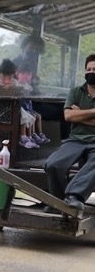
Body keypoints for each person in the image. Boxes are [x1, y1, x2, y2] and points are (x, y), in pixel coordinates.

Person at [44, 54, 95, 212]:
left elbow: (74, 116)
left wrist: (80, 115)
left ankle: (74, 196)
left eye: (94, 69)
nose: (91, 72)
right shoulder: (75, 92)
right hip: (76, 140)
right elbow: (68, 116)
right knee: (53, 165)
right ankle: (58, 203)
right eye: (88, 69)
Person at [0, 58, 48, 148]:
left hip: (12, 107)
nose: (6, 80)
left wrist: (13, 88)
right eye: (4, 77)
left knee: (26, 115)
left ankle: (25, 137)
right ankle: (24, 137)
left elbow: (24, 88)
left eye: (9, 77)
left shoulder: (15, 83)